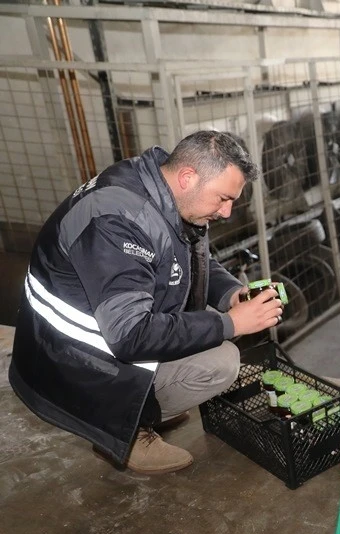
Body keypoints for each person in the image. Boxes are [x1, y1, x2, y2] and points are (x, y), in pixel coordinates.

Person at [9, 131, 284, 475]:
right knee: (222, 360)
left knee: (216, 332)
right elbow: (130, 336)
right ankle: (122, 432)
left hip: (103, 334)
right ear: (188, 177)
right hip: (68, 361)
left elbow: (197, 260)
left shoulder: (165, 190)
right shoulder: (117, 221)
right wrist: (233, 323)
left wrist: (232, 294)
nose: (227, 212)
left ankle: (150, 404)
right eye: (223, 199)